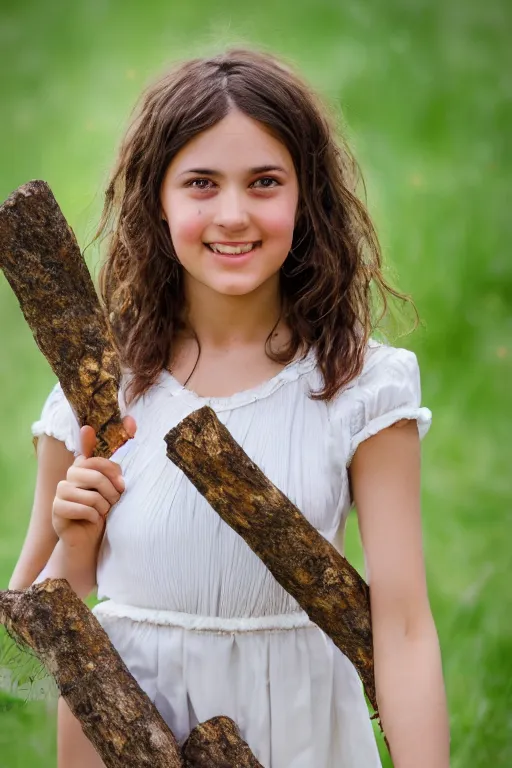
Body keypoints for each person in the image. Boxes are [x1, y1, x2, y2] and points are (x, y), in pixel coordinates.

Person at [9, 48, 450, 767]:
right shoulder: (95, 387)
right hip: (127, 737)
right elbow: (21, 653)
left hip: (302, 734)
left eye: (266, 182)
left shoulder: (360, 385)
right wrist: (75, 541)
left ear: (307, 197)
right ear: (159, 199)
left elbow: (402, 628)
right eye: (202, 184)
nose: (234, 214)